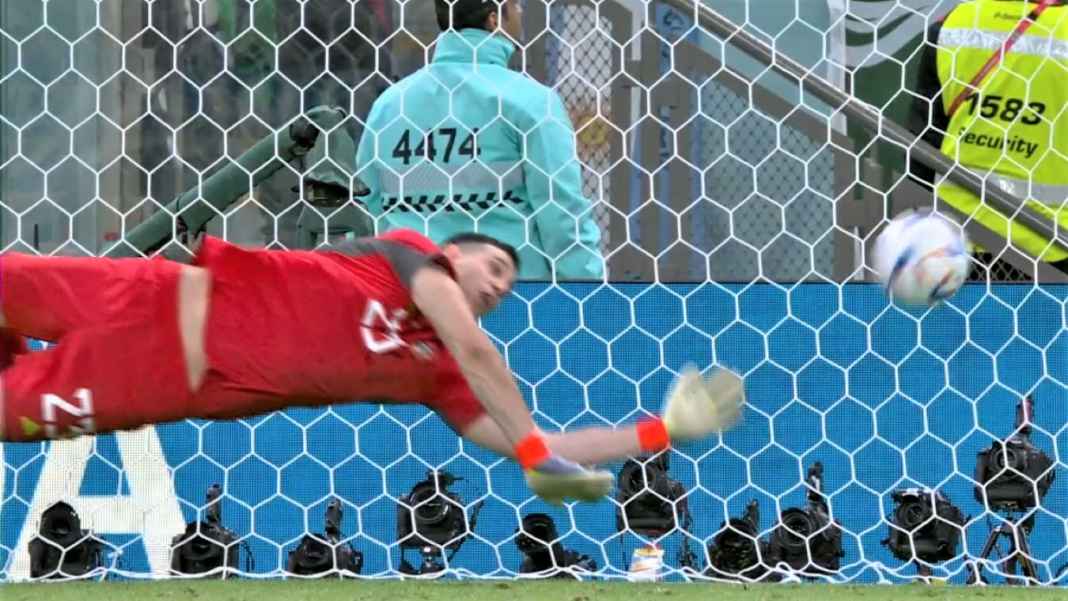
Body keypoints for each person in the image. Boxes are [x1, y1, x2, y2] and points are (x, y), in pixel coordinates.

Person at [0, 230, 738, 503]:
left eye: (508, 285)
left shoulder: (439, 372)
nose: (500, 282)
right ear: (454, 252)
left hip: (157, 379)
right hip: (154, 292)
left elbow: (526, 440)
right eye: (494, 263)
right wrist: (538, 454)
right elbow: (498, 379)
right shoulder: (406, 255)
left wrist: (659, 431)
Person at [355, 0, 605, 281]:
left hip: (411, 294)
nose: (521, 13)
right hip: (511, 302)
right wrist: (590, 295)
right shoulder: (529, 101)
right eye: (517, 5)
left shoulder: (389, 105)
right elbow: (561, 212)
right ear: (494, 18)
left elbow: (368, 203)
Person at [908, 0, 1068, 276]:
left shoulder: (953, 23)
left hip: (956, 240)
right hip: (1050, 243)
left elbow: (922, 144)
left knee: (964, 321)